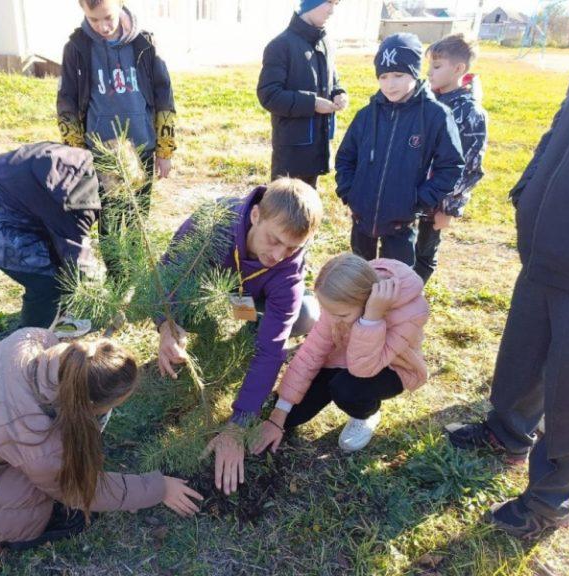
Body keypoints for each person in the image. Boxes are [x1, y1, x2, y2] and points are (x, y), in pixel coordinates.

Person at [0, 328, 203, 549]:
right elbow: (80, 490)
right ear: (87, 407)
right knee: (64, 511)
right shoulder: (37, 439)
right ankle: (11, 532)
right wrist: (158, 487)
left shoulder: (33, 340)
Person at [445, 65, 569, 540]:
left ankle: (548, 502)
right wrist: (528, 191)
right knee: (523, 355)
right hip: (544, 251)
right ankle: (506, 433)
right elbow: (561, 128)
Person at [156, 177, 323, 494]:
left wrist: (238, 424)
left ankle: (248, 329)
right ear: (257, 215)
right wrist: (165, 326)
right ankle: (206, 330)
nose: (278, 255)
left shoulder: (288, 271)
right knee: (188, 316)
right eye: (274, 240)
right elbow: (168, 274)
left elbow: (271, 351)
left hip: (253, 300)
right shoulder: (212, 223)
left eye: (292, 248)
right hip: (212, 292)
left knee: (304, 315)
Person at [251, 254, 428, 455]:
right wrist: (278, 415)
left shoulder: (411, 312)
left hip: (385, 368)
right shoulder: (340, 303)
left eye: (341, 315)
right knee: (291, 416)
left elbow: (364, 368)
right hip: (342, 360)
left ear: (367, 301)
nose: (333, 319)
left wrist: (372, 319)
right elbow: (310, 354)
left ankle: (365, 414)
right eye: (329, 312)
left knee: (347, 389)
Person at [57, 0, 176, 279]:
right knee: (110, 221)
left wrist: (165, 149)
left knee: (138, 218)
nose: (103, 27)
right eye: (94, 20)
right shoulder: (77, 48)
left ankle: (139, 279)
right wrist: (76, 155)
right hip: (103, 153)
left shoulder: (145, 44)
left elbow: (164, 97)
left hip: (142, 148)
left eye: (107, 18)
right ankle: (118, 281)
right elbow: (66, 105)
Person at [0, 143, 101, 329]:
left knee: (55, 258)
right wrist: (104, 301)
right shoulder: (78, 200)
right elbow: (77, 259)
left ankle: (57, 320)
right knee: (45, 278)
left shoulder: (86, 161)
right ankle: (30, 344)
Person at [335, 33, 464, 268]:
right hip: (362, 218)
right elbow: (345, 157)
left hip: (400, 222)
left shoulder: (436, 116)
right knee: (359, 276)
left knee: (395, 280)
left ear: (414, 72)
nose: (390, 84)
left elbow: (452, 166)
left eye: (398, 75)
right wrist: (349, 191)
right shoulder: (366, 115)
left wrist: (418, 200)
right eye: (383, 76)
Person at [415, 33, 488, 283]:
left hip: (436, 203)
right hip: (410, 196)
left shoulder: (470, 112)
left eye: (436, 67)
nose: (429, 73)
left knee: (422, 255)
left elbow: (470, 166)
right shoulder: (425, 101)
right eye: (429, 67)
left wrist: (448, 207)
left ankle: (409, 302)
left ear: (458, 69)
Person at [257, 0, 347, 188]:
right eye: (328, 3)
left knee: (308, 205)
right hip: (291, 151)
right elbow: (269, 95)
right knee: (285, 208)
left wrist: (339, 92)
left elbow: (333, 79)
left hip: (318, 145)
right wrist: (313, 104)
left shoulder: (326, 42)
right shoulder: (281, 46)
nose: (332, 11)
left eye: (335, 4)